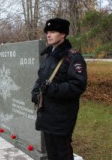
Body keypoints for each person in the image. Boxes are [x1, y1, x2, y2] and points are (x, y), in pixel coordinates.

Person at [31, 18, 87, 160]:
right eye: (47, 32)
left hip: (62, 115)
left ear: (63, 34)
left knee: (63, 153)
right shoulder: (49, 55)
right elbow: (41, 78)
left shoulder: (73, 57)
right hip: (46, 113)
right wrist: (35, 91)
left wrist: (52, 89)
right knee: (51, 153)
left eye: (53, 32)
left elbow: (77, 85)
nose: (48, 35)